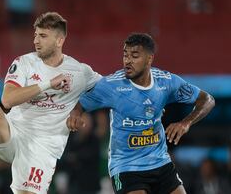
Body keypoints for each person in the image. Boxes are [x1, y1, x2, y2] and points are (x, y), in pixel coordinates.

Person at [0, 12, 101, 194]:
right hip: (13, 133)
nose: (36, 40)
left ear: (59, 41)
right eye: (35, 35)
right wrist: (48, 84)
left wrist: (78, 109)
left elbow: (105, 90)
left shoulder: (79, 72)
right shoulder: (24, 63)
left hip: (42, 147)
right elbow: (7, 99)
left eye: (43, 36)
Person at [67, 33, 215, 194]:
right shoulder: (112, 85)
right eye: (125, 55)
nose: (127, 61)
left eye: (134, 56)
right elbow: (80, 104)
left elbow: (207, 100)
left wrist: (186, 122)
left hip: (160, 163)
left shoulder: (166, 82)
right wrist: (75, 114)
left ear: (149, 59)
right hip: (126, 167)